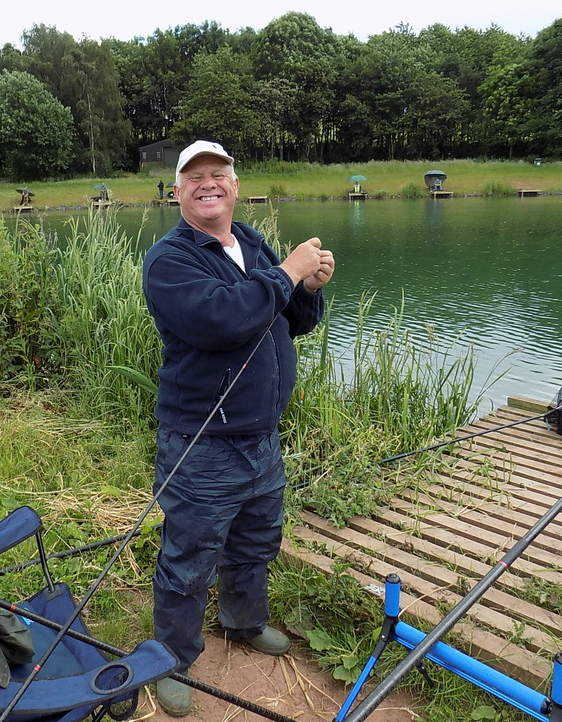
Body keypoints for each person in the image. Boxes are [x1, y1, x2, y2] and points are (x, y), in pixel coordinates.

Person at [142, 140, 335, 716]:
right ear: (176, 191)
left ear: (234, 184)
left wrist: (310, 288)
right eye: (194, 176)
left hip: (261, 437)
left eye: (218, 173)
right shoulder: (169, 260)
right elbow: (224, 320)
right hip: (201, 443)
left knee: (254, 542)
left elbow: (288, 318)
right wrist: (288, 272)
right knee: (189, 559)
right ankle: (169, 660)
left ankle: (243, 622)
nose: (209, 183)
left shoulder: (250, 241)